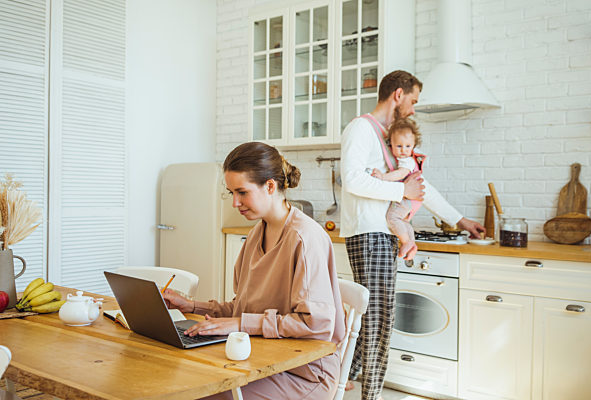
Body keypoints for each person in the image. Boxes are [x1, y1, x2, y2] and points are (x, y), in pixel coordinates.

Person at [340, 70, 485, 400]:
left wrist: (459, 220)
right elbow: (352, 181)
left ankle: (343, 375)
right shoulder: (361, 129)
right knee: (379, 317)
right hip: (369, 231)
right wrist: (397, 187)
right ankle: (370, 394)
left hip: (384, 232)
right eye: (414, 101)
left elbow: (417, 185)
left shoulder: (389, 137)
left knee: (373, 314)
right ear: (398, 94)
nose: (414, 109)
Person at [162, 141, 346, 400]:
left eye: (242, 192)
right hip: (259, 360)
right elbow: (244, 310)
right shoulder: (254, 235)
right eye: (231, 193)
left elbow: (314, 324)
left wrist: (240, 323)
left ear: (270, 186)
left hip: (304, 373)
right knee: (181, 380)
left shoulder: (305, 239)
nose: (235, 202)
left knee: (207, 395)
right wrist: (191, 306)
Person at [369, 117, 426, 261]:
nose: (403, 150)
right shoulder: (405, 159)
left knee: (392, 217)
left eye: (408, 146)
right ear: (391, 145)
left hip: (410, 197)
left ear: (413, 145)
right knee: (403, 221)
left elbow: (400, 174)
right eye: (399, 146)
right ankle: (411, 242)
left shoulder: (407, 161)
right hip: (414, 199)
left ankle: (406, 242)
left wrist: (383, 177)